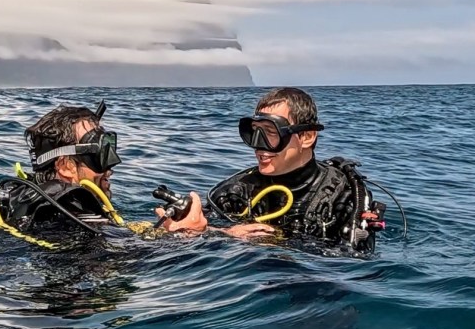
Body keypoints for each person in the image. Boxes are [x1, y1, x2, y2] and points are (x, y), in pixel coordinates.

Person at [0, 101, 206, 246]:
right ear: (65, 166)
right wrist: (183, 235)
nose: (111, 166)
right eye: (99, 155)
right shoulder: (70, 207)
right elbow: (116, 256)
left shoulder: (23, 199)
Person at [156, 87, 386, 254]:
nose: (259, 145)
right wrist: (203, 232)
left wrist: (277, 242)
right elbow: (201, 232)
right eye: (254, 132)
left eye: (270, 132)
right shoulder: (236, 191)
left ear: (306, 136)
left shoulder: (345, 193)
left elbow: (354, 260)